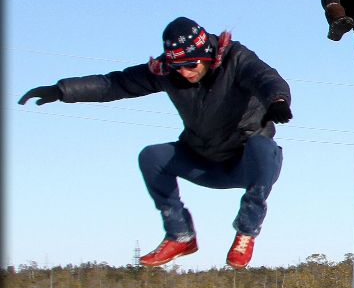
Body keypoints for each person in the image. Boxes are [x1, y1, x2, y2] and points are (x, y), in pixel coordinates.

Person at [18, 17, 291, 270]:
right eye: (177, 67)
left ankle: (246, 231)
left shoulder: (236, 58)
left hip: (244, 163)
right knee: (152, 156)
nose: (184, 73)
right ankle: (180, 235)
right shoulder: (166, 71)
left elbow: (265, 78)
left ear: (208, 55)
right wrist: (62, 90)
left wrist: (277, 99)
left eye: (191, 65)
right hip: (204, 161)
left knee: (265, 148)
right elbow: (115, 84)